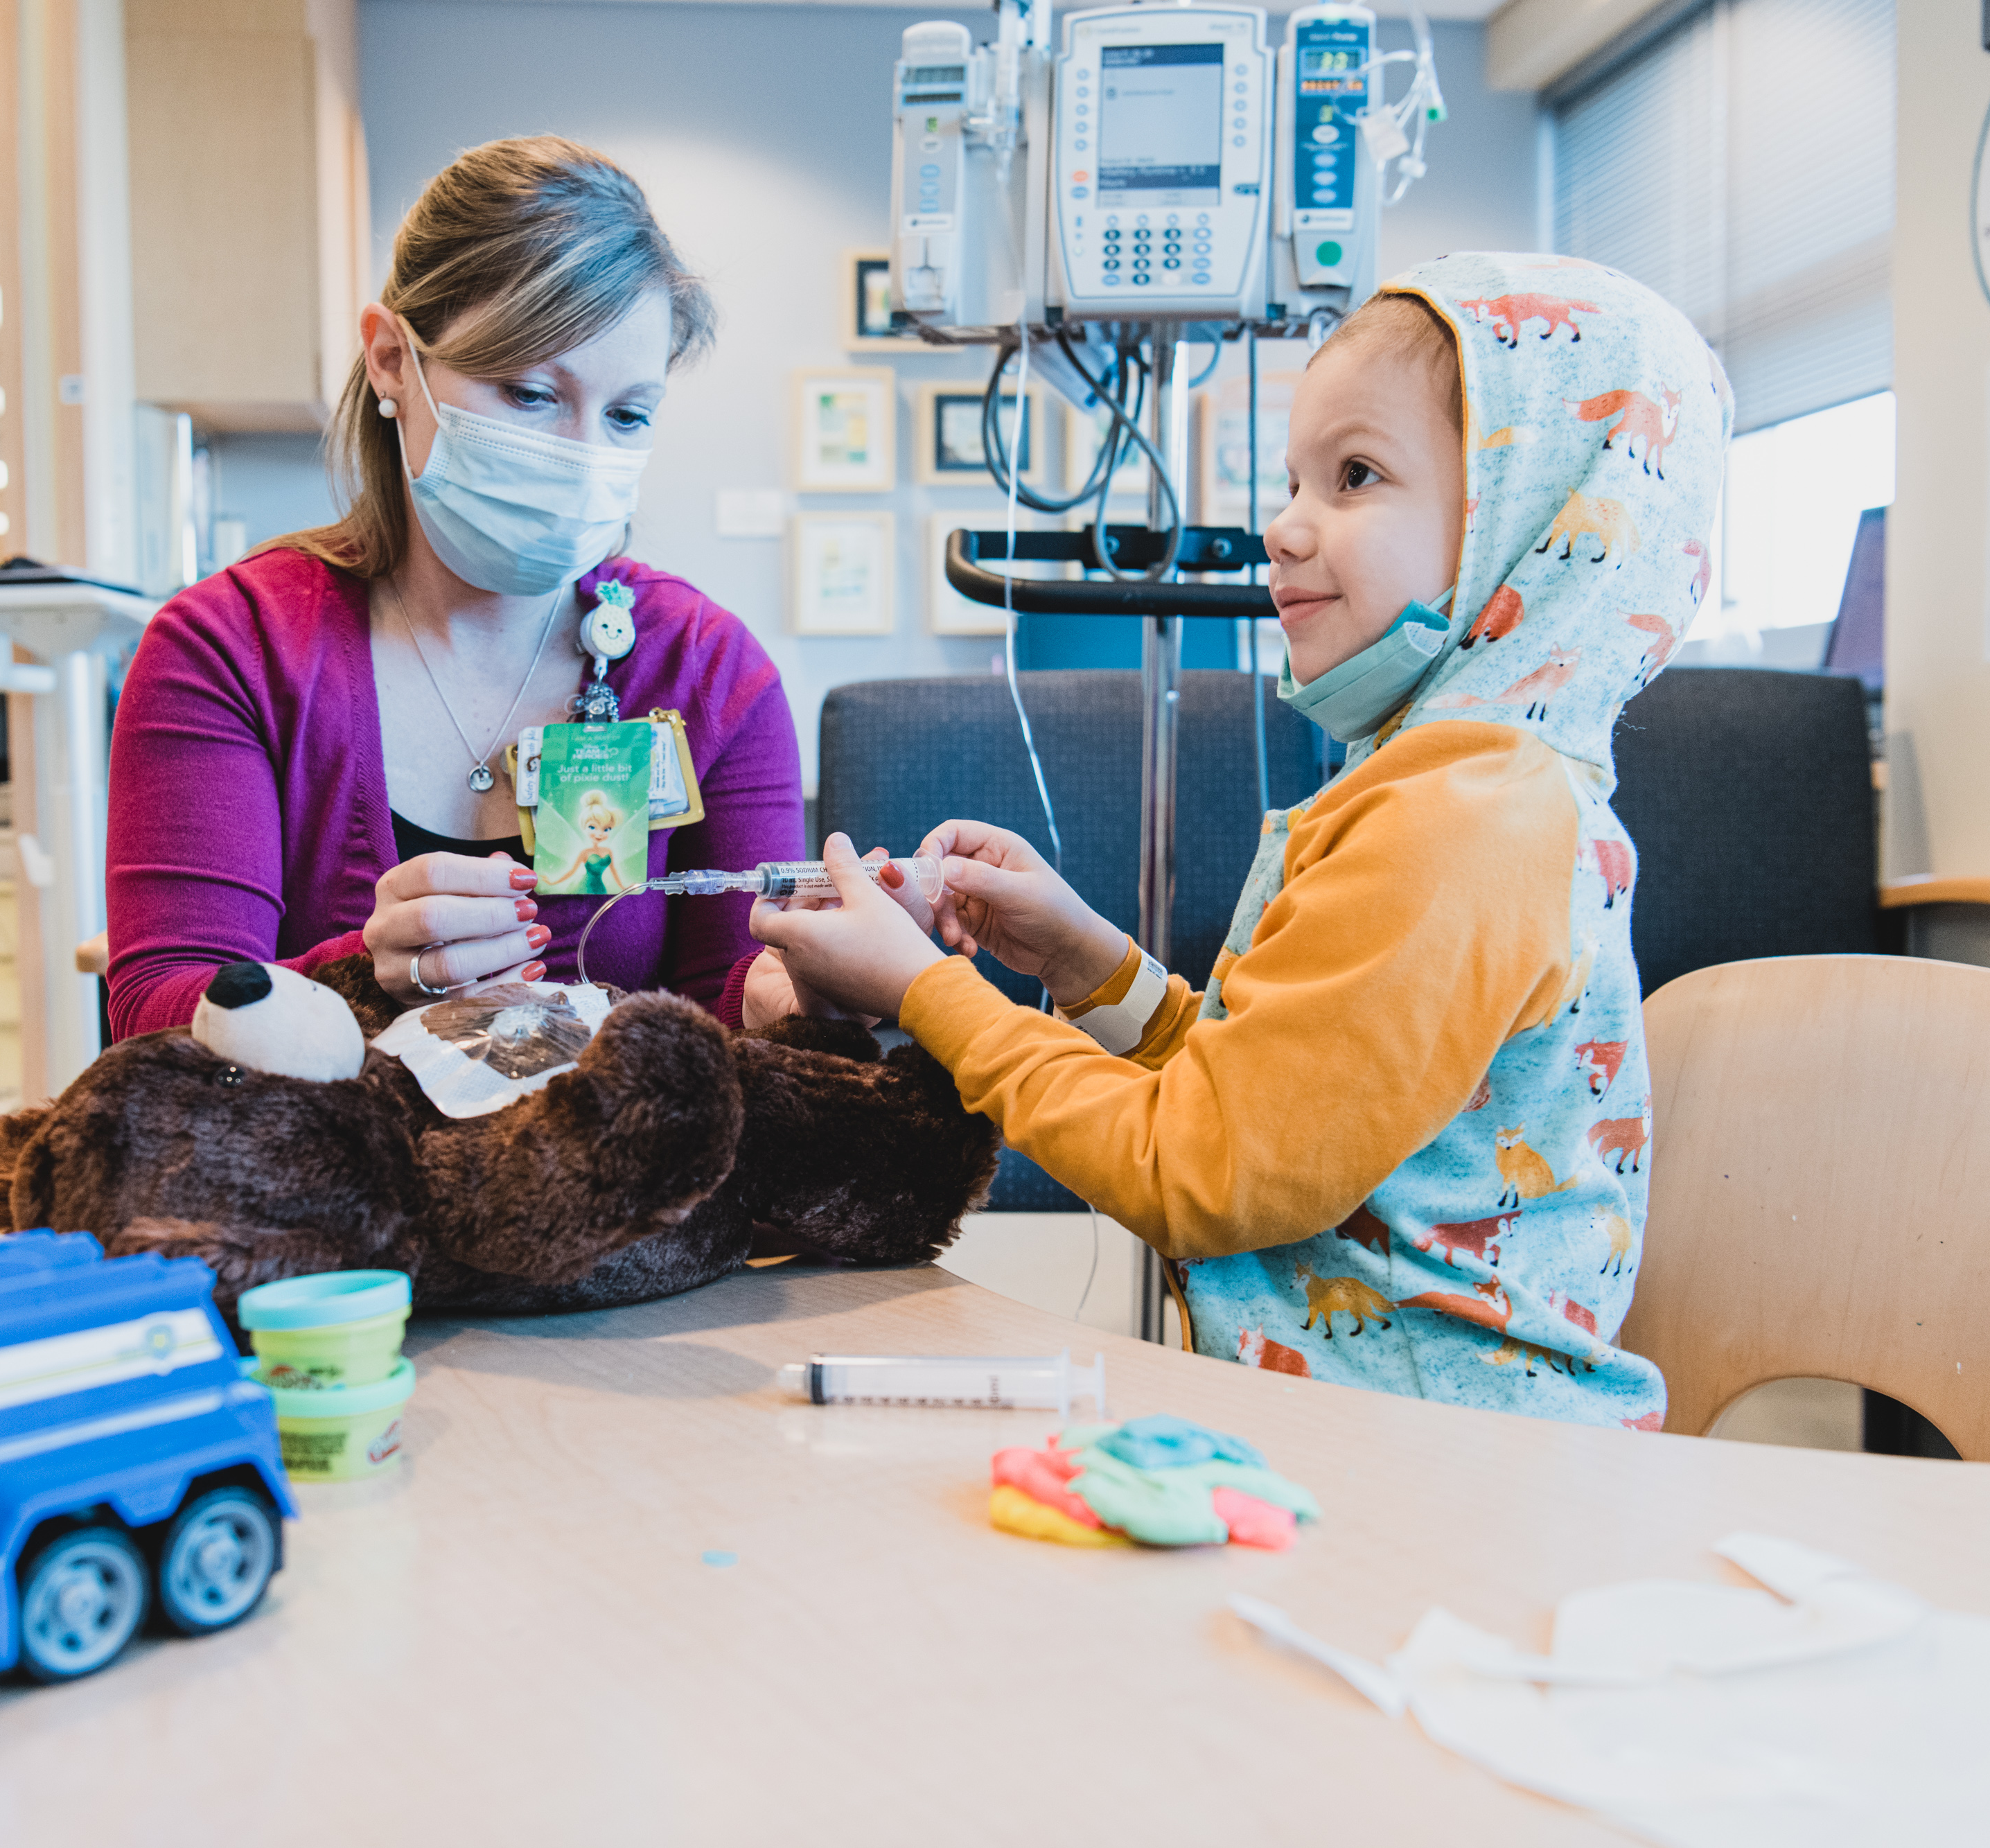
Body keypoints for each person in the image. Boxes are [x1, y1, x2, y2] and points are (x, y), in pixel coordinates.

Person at [753, 254, 1729, 1427]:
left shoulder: (1462, 821)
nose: (1285, 527)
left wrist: (925, 996)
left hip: (1441, 1470)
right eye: (1294, 481)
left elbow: (1201, 1169)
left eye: (1356, 477)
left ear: (1529, 522)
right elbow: (1266, 1097)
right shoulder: (1464, 787)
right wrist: (1082, 961)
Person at [105, 137, 809, 1037]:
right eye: (529, 393)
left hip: (621, 1176)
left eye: (628, 414)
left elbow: (732, 1013)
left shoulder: (708, 672)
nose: (583, 453)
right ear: (392, 360)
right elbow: (157, 1022)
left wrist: (803, 995)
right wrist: (363, 975)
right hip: (327, 1175)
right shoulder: (230, 652)